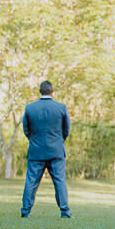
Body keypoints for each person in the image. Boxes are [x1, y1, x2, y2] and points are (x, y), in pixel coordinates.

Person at [21, 81, 71, 218]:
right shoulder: (61, 108)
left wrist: (34, 140)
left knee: (31, 182)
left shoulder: (30, 108)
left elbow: (26, 129)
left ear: (40, 91)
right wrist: (58, 141)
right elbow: (66, 130)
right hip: (56, 151)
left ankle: (25, 211)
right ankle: (65, 211)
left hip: (36, 151)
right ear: (52, 91)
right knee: (59, 181)